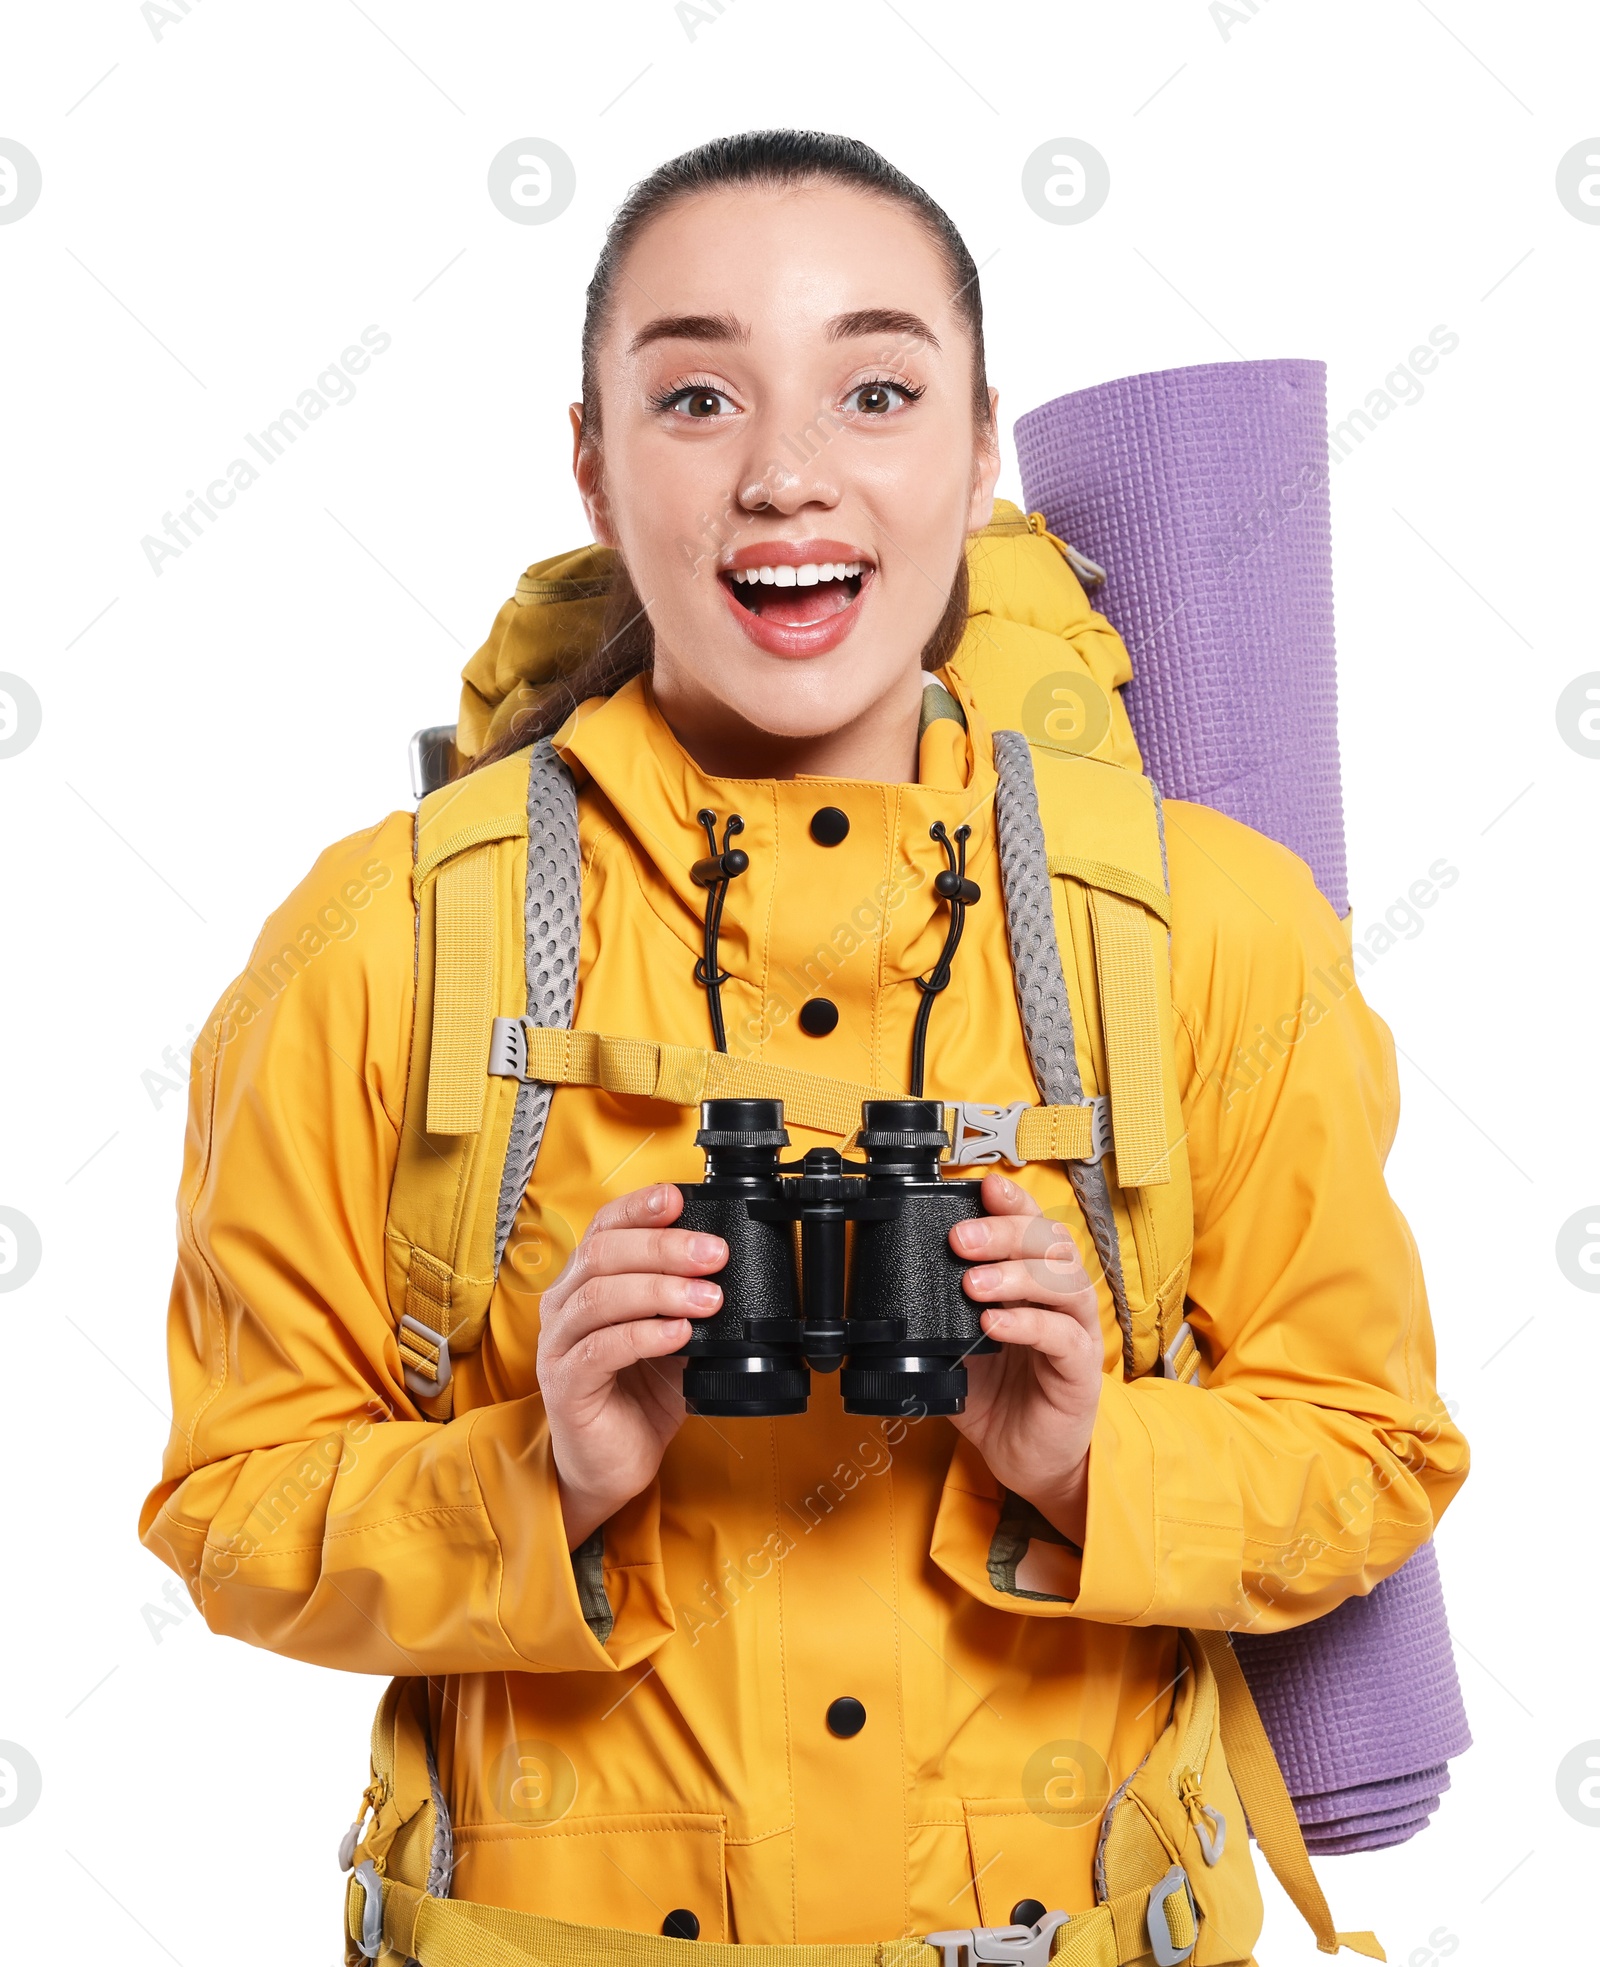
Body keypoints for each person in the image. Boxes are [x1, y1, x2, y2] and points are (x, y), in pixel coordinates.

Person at [139, 131, 1467, 1960]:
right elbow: (230, 1501)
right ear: (594, 466)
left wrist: (1099, 1464)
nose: (785, 474)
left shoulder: (1202, 930)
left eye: (876, 389)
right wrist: (547, 1471)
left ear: (978, 447)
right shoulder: (388, 942)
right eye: (697, 395)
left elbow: (1372, 1451)